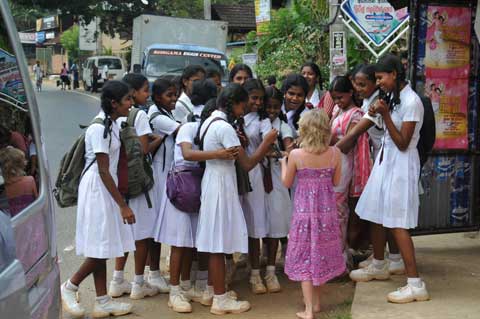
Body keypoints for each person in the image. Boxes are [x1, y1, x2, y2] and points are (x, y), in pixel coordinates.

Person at [349, 54, 429, 304]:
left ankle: (415, 284)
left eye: (381, 78)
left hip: (401, 165)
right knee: (375, 212)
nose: (379, 82)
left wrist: (383, 115)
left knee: (397, 223)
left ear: (394, 74)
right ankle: (379, 264)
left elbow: (404, 143)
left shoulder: (412, 101)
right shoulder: (393, 97)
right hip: (386, 162)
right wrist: (379, 111)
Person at [195, 83, 278, 315]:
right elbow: (248, 163)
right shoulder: (224, 128)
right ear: (234, 104)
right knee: (218, 243)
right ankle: (220, 299)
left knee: (215, 241)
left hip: (213, 182)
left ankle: (213, 290)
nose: (245, 111)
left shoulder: (210, 122)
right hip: (221, 186)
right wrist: (267, 141)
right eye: (243, 106)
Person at [60, 81, 136, 318]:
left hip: (105, 187)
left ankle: (102, 301)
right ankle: (70, 286)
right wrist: (123, 205)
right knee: (100, 248)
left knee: (101, 245)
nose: (131, 104)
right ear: (114, 103)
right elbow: (103, 170)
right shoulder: (98, 128)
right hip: (97, 188)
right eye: (127, 100)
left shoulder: (112, 123)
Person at [161, 102, 238, 313]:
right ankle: (174, 291)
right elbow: (187, 154)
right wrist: (217, 154)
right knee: (180, 242)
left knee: (197, 241)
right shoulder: (190, 126)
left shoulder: (208, 128)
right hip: (183, 186)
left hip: (199, 186)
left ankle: (192, 285)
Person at [336, 64, 405, 274]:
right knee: (383, 214)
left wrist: (327, 153)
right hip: (380, 161)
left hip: (385, 161)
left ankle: (387, 260)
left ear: (376, 81)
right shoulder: (370, 101)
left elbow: (354, 134)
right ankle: (387, 258)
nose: (358, 88)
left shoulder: (377, 103)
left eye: (362, 84)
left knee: (384, 214)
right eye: (356, 84)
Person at [281, 109, 345, 319]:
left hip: (303, 214)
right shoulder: (335, 153)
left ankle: (308, 310)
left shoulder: (297, 155)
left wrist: (283, 164)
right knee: (320, 255)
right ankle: (316, 304)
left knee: (305, 258)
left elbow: (286, 183)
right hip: (326, 214)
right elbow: (336, 183)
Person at [109, 73, 164, 300]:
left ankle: (117, 279)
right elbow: (142, 150)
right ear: (131, 92)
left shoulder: (113, 115)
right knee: (142, 235)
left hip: (120, 180)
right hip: (139, 182)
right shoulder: (139, 115)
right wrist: (157, 139)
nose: (147, 95)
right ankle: (139, 283)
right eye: (144, 90)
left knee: (124, 231)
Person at [329, 76, 371, 266]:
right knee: (333, 209)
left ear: (350, 93)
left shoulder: (356, 114)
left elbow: (348, 143)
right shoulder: (338, 110)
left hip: (345, 163)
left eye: (340, 97)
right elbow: (330, 136)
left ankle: (341, 260)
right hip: (333, 160)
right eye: (334, 98)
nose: (337, 102)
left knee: (340, 210)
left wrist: (328, 148)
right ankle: (337, 255)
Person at [239, 79, 272, 294]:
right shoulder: (236, 118)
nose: (258, 103)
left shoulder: (264, 121)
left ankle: (255, 273)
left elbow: (268, 144)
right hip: (234, 173)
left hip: (254, 174)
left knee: (254, 223)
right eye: (254, 98)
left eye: (261, 99)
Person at [148, 79, 180, 294]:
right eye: (169, 95)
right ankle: (153, 272)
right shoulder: (158, 117)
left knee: (159, 225)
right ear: (158, 97)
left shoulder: (166, 113)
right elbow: (183, 131)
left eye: (175, 94)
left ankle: (155, 271)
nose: (174, 99)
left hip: (165, 171)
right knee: (155, 226)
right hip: (158, 174)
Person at [263, 86, 294, 290]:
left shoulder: (283, 126)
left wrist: (275, 154)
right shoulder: (256, 122)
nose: (272, 110)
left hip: (276, 179)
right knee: (258, 224)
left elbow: (291, 152)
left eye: (276, 107)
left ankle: (271, 271)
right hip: (257, 178)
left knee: (275, 225)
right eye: (269, 106)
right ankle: (255, 267)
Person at [0, 147, 38, 218]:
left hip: (16, 222)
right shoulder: (30, 180)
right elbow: (37, 200)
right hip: (32, 218)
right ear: (20, 165)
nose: (26, 162)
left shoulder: (4, 188)